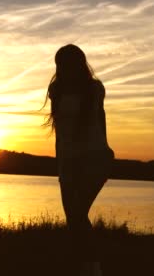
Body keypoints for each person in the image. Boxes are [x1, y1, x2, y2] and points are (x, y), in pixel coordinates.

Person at [43, 44, 114, 276]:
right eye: (60, 64)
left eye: (68, 64)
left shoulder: (95, 89)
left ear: (79, 64)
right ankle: (84, 266)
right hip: (68, 161)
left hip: (94, 159)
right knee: (74, 220)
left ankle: (93, 269)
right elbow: (59, 130)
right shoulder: (56, 89)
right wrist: (60, 164)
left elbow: (100, 118)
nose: (63, 68)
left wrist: (106, 150)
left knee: (77, 215)